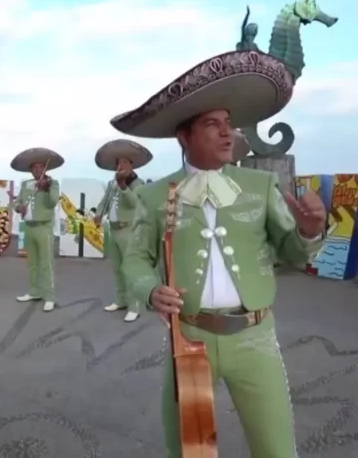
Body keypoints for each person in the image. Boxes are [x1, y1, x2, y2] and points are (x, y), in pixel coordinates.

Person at [114, 56, 327, 456]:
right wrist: (148, 289)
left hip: (255, 339)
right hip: (189, 338)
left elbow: (293, 253)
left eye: (229, 123)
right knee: (191, 448)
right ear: (184, 137)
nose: (228, 133)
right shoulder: (156, 194)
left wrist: (309, 231)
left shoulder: (261, 186)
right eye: (213, 124)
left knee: (276, 449)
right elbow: (137, 257)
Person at [93, 139, 152, 322]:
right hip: (112, 229)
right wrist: (98, 213)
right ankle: (121, 300)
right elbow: (106, 200)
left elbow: (136, 203)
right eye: (119, 162)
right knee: (116, 267)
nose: (121, 165)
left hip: (128, 230)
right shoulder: (112, 184)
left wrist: (124, 187)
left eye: (125, 162)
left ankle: (135, 305)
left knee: (129, 269)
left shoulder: (137, 182)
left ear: (132, 165)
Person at [11, 147, 64, 312]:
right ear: (30, 169)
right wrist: (19, 207)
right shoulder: (26, 184)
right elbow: (17, 202)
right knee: (32, 263)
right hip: (29, 227)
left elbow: (53, 201)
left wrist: (46, 189)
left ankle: (49, 296)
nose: (38, 170)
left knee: (46, 263)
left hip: (44, 227)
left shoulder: (52, 183)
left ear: (45, 168)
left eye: (41, 167)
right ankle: (34, 291)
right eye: (34, 167)